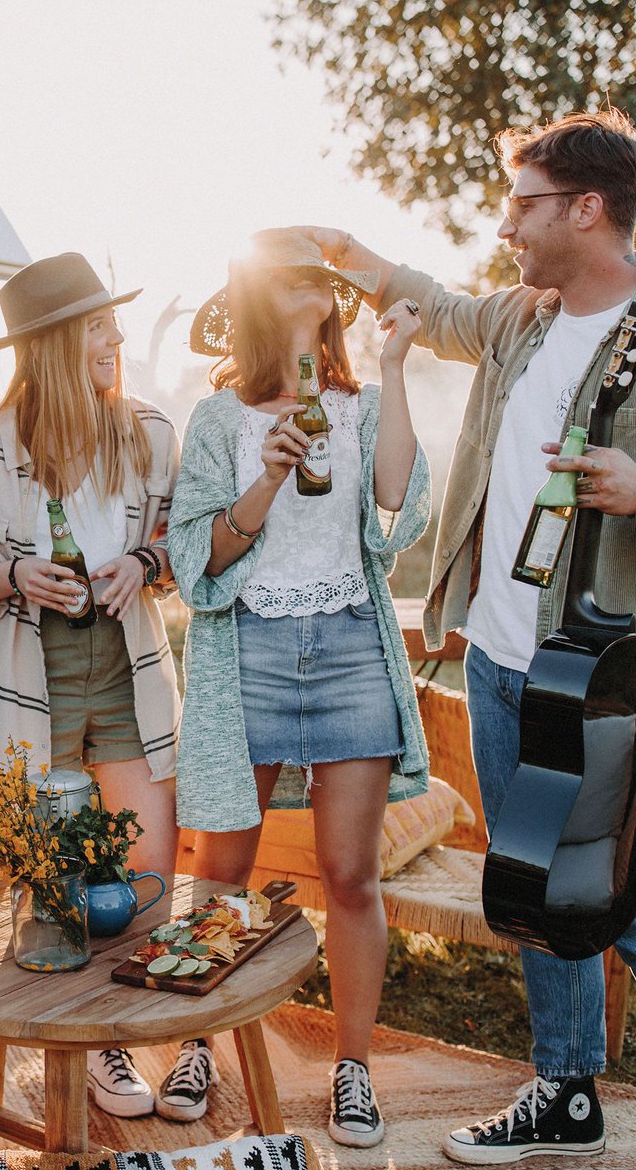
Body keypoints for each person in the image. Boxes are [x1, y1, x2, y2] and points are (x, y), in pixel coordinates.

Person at [299, 108, 636, 1164]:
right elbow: (434, 307)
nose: (506, 227)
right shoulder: (527, 320)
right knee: (540, 886)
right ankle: (567, 1093)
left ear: (587, 209)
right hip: (499, 659)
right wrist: (346, 254)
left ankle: (570, 1087)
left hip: (599, 676)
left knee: (611, 887)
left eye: (524, 206)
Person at [168, 229, 431, 1148]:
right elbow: (196, 557)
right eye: (289, 278)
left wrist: (395, 367)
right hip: (253, 654)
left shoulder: (357, 409)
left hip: (353, 642)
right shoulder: (218, 423)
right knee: (223, 871)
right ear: (254, 298)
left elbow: (395, 500)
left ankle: (351, 1070)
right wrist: (269, 477)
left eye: (320, 281)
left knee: (351, 874)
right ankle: (197, 1038)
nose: (312, 290)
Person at [0, 252, 191, 1120]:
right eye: (98, 327)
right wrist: (12, 578)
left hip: (123, 673)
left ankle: (103, 1045)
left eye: (111, 324)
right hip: (23, 678)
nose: (115, 339)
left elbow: (178, 544)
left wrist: (143, 564)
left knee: (140, 869)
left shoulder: (149, 432)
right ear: (50, 345)